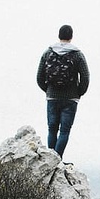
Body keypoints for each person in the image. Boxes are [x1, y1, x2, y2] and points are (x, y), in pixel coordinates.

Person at [36, 24, 90, 161]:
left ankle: (50, 160)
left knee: (52, 129)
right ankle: (56, 161)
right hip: (71, 98)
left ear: (59, 35)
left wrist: (48, 90)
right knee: (64, 131)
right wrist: (79, 93)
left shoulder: (48, 53)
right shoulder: (77, 55)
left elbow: (39, 77)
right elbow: (85, 77)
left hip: (52, 97)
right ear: (71, 37)